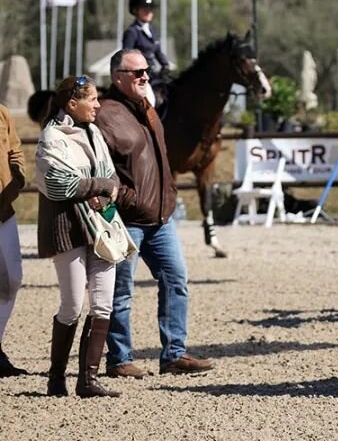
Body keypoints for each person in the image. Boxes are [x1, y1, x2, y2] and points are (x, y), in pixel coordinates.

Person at [95, 50, 213, 377]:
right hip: (126, 220)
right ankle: (119, 359)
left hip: (162, 219)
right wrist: (129, 200)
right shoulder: (106, 114)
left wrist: (168, 197)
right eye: (137, 73)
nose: (145, 77)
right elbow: (103, 168)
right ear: (118, 76)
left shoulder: (148, 109)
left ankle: (174, 353)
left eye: (146, 71)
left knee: (177, 280)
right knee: (121, 292)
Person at [35, 76, 123, 397]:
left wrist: (105, 191)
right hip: (67, 228)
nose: (99, 105)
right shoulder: (50, 138)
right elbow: (59, 183)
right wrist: (99, 186)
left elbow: (111, 176)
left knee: (103, 303)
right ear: (73, 104)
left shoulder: (95, 133)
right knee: (72, 304)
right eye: (93, 100)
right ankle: (56, 376)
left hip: (100, 226)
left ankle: (88, 380)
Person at [0, 103, 27, 378]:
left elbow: (15, 149)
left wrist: (17, 177)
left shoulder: (2, 112)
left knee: (13, 278)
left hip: (3, 211)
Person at [122, 0, 170, 108]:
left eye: (151, 9)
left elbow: (158, 52)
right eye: (145, 9)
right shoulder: (132, 32)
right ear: (135, 11)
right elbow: (127, 58)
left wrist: (166, 66)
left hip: (154, 75)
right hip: (140, 76)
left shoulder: (152, 30)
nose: (149, 12)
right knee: (152, 101)